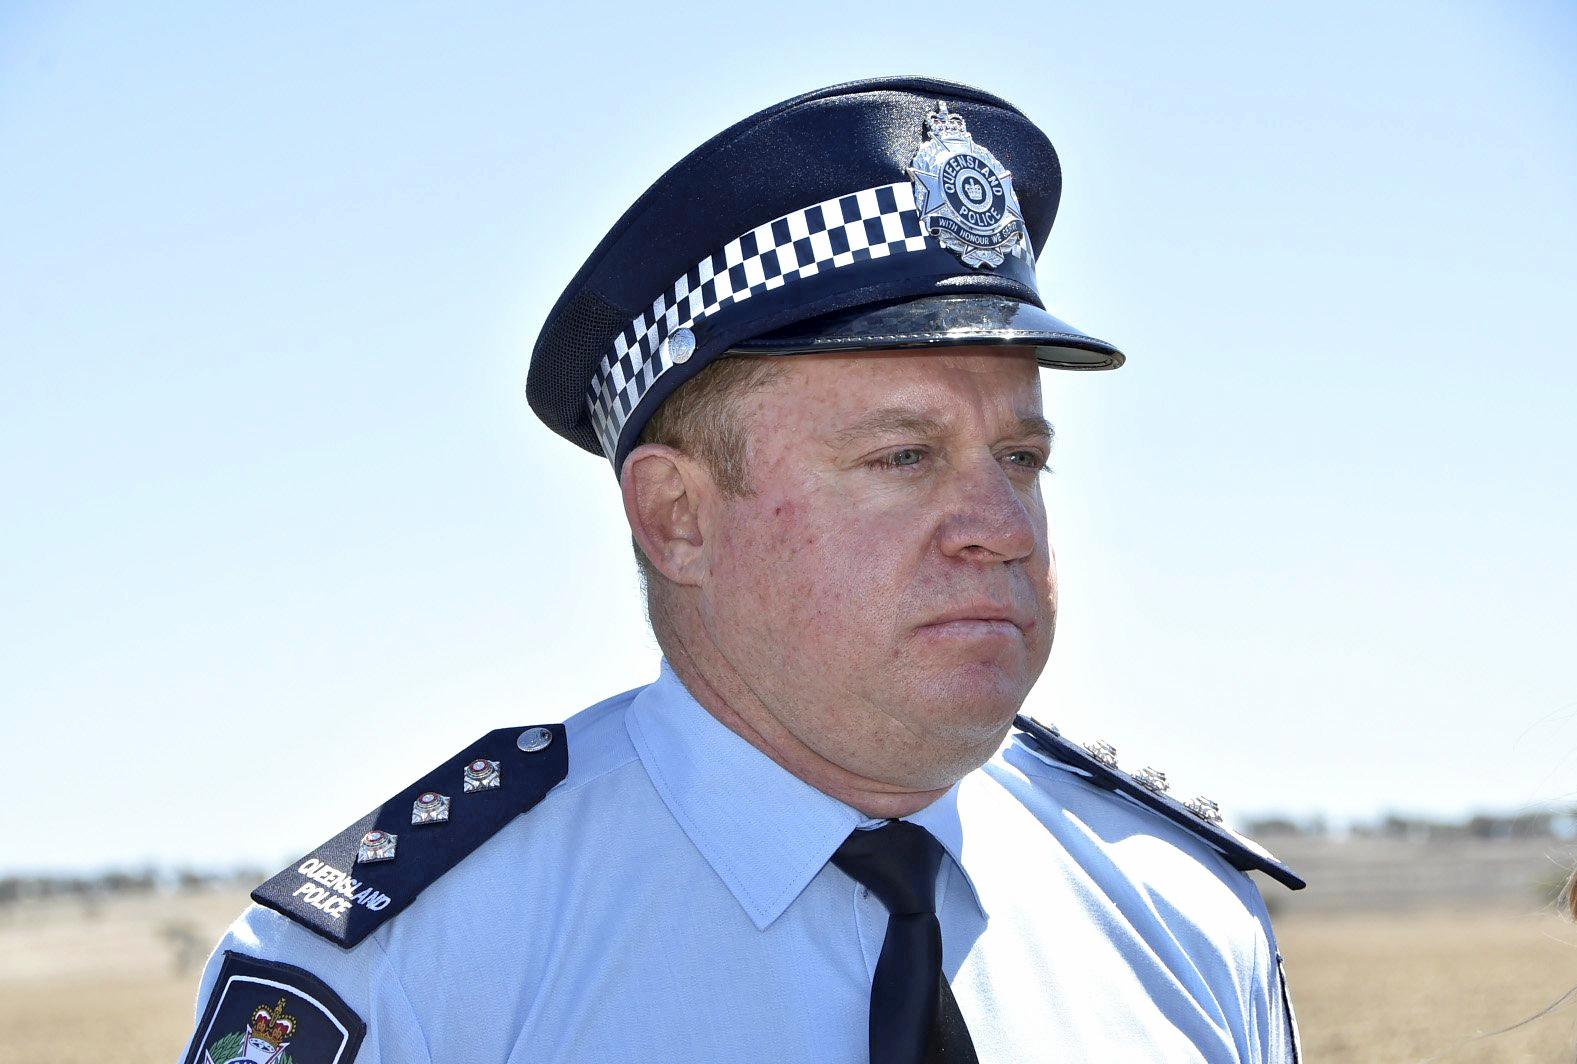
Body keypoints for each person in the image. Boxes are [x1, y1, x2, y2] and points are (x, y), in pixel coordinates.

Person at [179, 76, 1304, 1064]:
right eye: (902, 456)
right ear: (676, 517)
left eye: (1020, 455)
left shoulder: (1179, 916)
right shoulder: (418, 970)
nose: (997, 524)